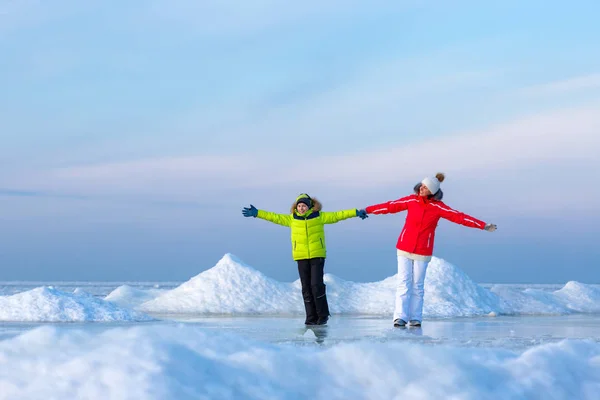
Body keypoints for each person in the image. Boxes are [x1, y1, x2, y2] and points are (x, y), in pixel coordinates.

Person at [363, 173, 496, 328]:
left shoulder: (438, 207)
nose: (421, 188)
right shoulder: (411, 200)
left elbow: (460, 217)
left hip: (422, 250)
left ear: (432, 191)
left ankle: (415, 318)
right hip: (404, 247)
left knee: (417, 285)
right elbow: (389, 206)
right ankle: (400, 317)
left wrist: (483, 225)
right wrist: (367, 210)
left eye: (425, 187)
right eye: (422, 185)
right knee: (404, 283)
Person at [242, 194, 368, 326]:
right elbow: (274, 217)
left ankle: (323, 315)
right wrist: (257, 213)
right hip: (300, 256)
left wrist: (355, 212)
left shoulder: (319, 216)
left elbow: (338, 215)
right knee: (306, 288)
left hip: (317, 255)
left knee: (316, 285)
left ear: (310, 206)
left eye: (304, 206)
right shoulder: (292, 219)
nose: (301, 208)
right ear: (296, 207)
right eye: (299, 206)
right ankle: (310, 317)